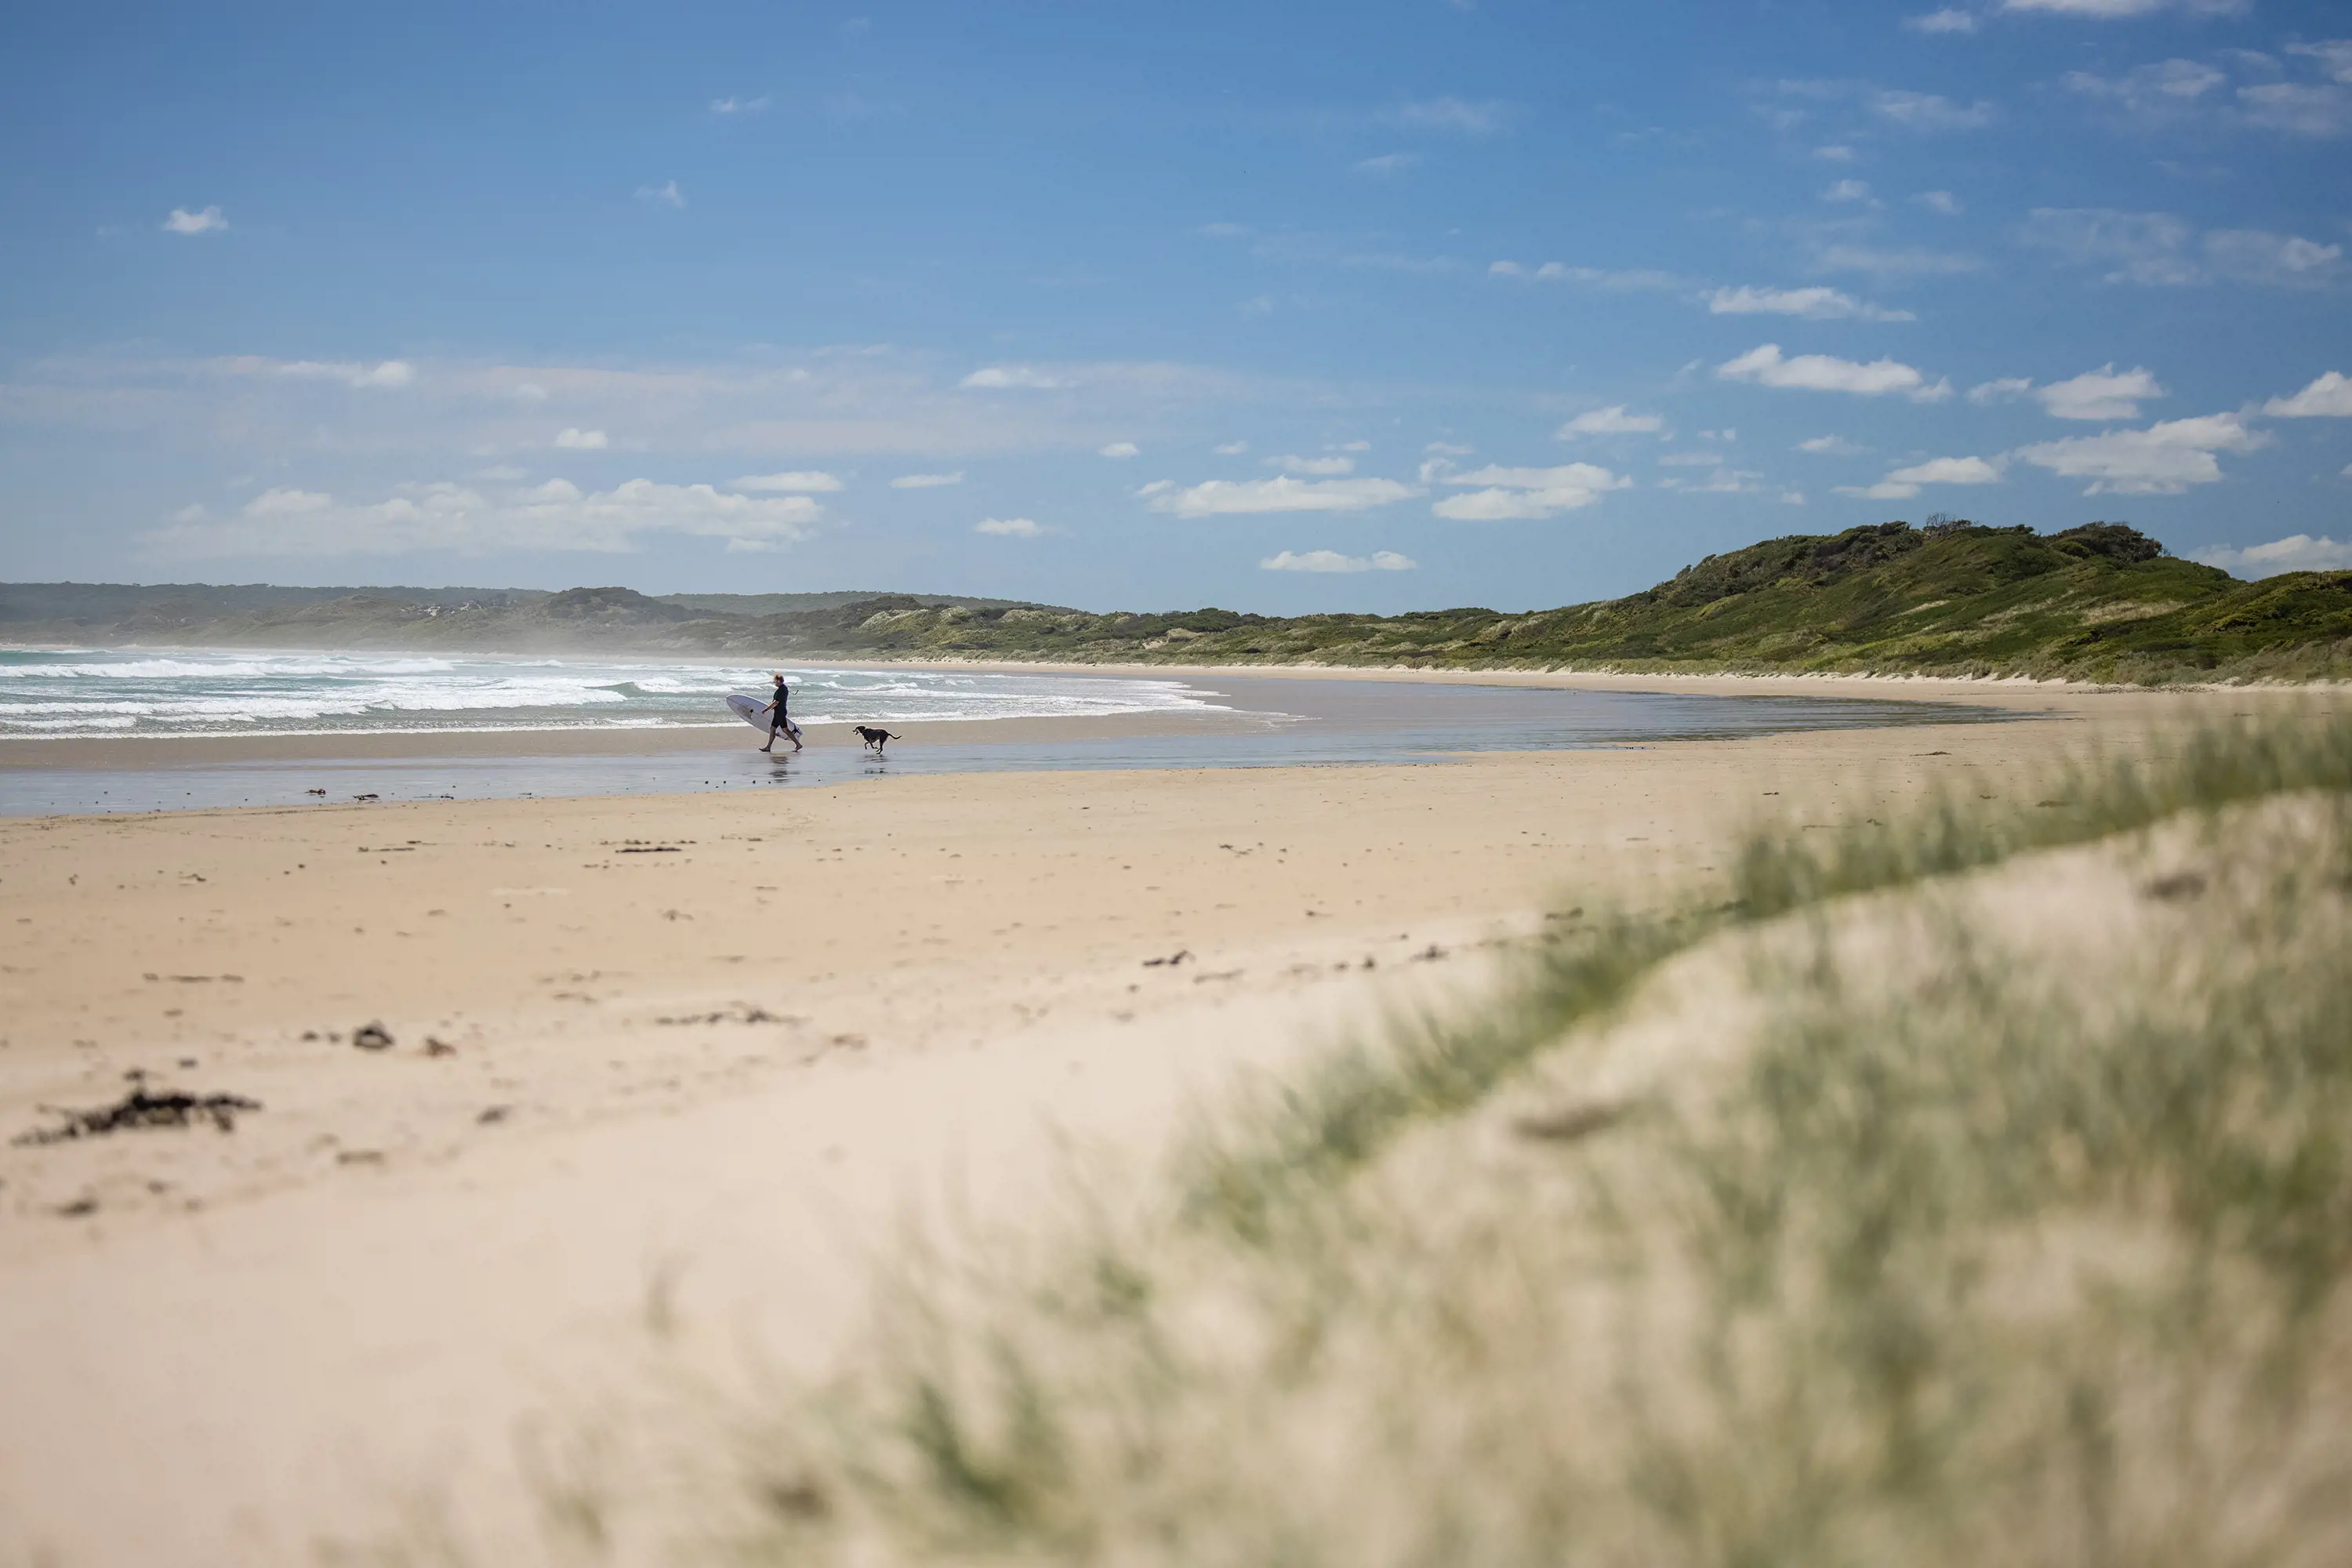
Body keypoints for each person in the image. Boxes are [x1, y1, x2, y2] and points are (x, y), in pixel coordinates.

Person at [760, 672, 802, 753]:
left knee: (784, 730)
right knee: (774, 729)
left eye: (774, 681)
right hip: (779, 712)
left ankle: (798, 744)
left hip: (780, 713)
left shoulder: (781, 690)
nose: (774, 683)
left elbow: (776, 702)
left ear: (778, 681)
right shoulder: (783, 688)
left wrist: (766, 709)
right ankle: (768, 747)